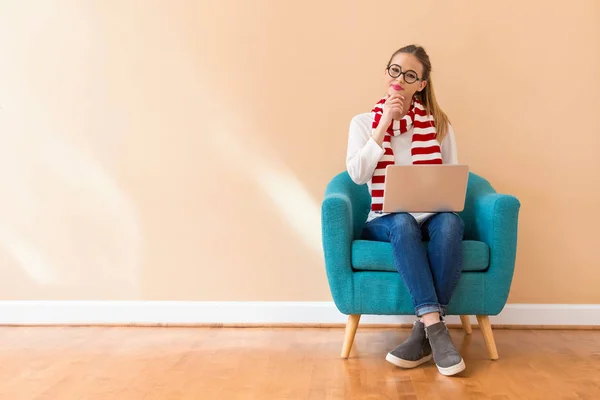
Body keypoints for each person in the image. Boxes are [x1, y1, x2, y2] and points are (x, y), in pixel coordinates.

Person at [345, 44, 466, 376]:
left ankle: (422, 332)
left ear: (421, 84)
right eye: (395, 70)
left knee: (452, 224)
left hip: (430, 215)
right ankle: (437, 330)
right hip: (385, 220)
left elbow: (450, 176)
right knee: (402, 224)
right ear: (387, 73)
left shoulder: (438, 124)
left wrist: (441, 200)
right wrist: (383, 124)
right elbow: (357, 175)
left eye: (410, 74)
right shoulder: (363, 122)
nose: (400, 78)